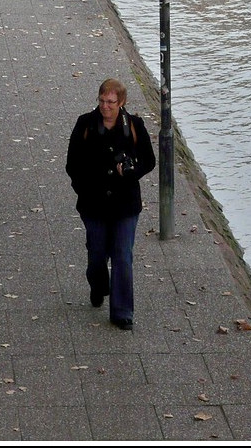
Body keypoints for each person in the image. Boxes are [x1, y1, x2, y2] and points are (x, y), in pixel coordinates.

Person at [66, 78, 156, 330]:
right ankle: (98, 286)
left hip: (125, 205)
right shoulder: (85, 124)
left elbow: (149, 161)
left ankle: (122, 312)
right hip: (93, 204)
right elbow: (72, 164)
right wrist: (83, 189)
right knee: (96, 254)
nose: (105, 106)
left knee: (122, 256)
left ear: (122, 102)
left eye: (111, 102)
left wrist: (131, 172)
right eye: (102, 101)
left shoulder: (134, 126)